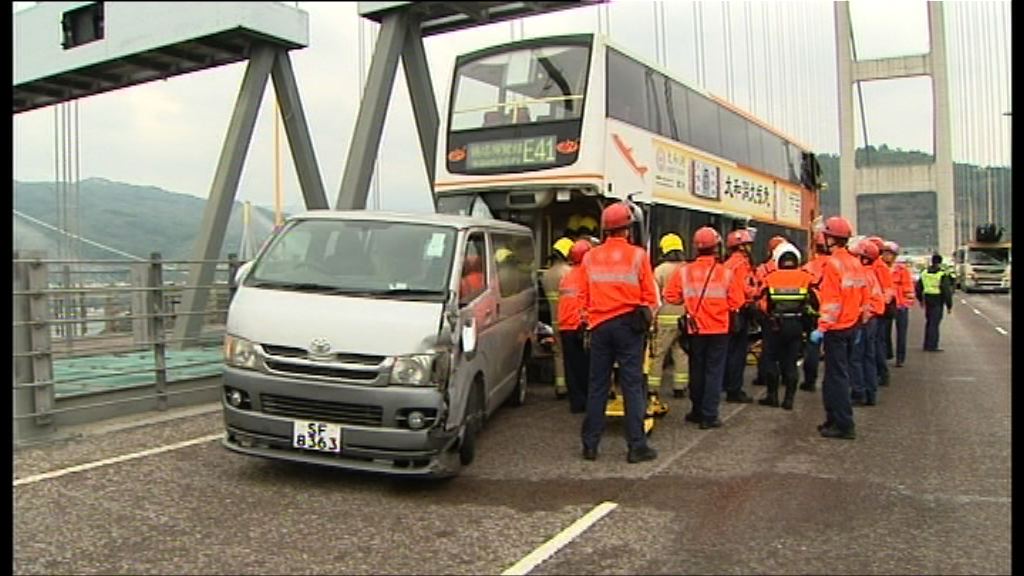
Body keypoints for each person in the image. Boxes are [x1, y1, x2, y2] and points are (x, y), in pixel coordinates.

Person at [578, 202, 660, 463]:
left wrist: (590, 319)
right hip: (629, 326)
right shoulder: (638, 256)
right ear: (627, 229)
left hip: (600, 326)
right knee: (632, 386)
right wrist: (647, 321)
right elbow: (651, 298)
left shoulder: (590, 257)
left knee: (598, 386)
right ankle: (637, 447)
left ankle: (590, 445)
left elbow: (583, 296)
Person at [663, 227, 745, 429]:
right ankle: (710, 415)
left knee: (696, 369)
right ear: (716, 247)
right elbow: (737, 301)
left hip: (695, 329)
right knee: (714, 372)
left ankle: (697, 411)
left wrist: (689, 301)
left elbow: (670, 296)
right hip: (719, 330)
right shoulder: (725, 273)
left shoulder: (684, 272)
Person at [809, 216, 867, 440]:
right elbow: (864, 296)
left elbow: (832, 302)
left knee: (836, 377)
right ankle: (832, 419)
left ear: (830, 238)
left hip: (836, 328)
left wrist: (822, 328)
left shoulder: (832, 265)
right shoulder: (855, 263)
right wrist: (860, 321)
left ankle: (843, 424)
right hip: (851, 326)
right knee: (836, 376)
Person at [758, 243, 814, 410]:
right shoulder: (806, 278)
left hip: (774, 325)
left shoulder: (770, 278)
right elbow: (814, 303)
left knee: (770, 360)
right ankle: (789, 400)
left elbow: (763, 303)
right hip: (796, 325)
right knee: (790, 362)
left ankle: (772, 396)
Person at [650, 233, 689, 403]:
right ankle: (680, 387)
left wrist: (652, 321)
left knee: (658, 354)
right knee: (681, 353)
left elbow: (653, 297)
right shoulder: (687, 269)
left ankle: (652, 389)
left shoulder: (659, 270)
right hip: (684, 317)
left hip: (665, 318)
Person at [722, 229, 757, 404]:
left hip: (726, 311)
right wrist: (758, 292)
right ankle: (734, 390)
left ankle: (725, 383)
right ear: (742, 247)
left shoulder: (726, 264)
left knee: (727, 350)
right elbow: (747, 288)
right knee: (738, 352)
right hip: (740, 311)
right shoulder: (742, 265)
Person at [558, 239, 592, 414]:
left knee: (571, 366)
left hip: (565, 326)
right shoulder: (588, 275)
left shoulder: (567, 275)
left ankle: (576, 402)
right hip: (581, 325)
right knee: (587, 365)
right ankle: (588, 400)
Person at [850, 239, 884, 407]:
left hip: (862, 319)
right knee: (868, 357)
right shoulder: (872, 274)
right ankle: (871, 393)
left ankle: (858, 392)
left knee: (856, 358)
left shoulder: (860, 275)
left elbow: (855, 299)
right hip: (872, 319)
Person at [542, 237, 575, 399]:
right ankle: (573, 386)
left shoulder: (546, 275)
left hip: (555, 321)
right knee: (573, 355)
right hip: (570, 321)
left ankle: (560, 387)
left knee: (558, 354)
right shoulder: (569, 273)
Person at [800, 231, 829, 392]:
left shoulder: (807, 268)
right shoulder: (838, 265)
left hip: (814, 312)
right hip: (836, 314)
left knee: (812, 348)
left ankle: (809, 381)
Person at [867, 236, 894, 388]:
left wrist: (876, 307)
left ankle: (881, 374)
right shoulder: (877, 266)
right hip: (878, 311)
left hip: (878, 313)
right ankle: (879, 374)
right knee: (876, 345)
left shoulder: (879, 267)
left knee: (876, 345)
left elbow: (887, 292)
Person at [916, 253, 954, 352]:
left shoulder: (924, 272)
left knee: (929, 322)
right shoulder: (941, 274)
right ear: (940, 262)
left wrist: (920, 299)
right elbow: (946, 290)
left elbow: (918, 287)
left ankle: (926, 344)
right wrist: (949, 305)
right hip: (938, 299)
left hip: (928, 298)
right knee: (935, 323)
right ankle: (933, 346)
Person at [888, 242, 915, 367]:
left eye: (889, 253)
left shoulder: (902, 270)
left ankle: (900, 358)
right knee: (884, 334)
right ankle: (887, 354)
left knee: (901, 333)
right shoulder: (879, 268)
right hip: (886, 305)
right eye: (884, 253)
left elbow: (908, 287)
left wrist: (906, 303)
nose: (886, 256)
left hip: (900, 305)